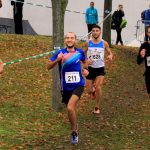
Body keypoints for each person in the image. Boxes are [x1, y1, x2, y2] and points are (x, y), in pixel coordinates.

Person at [47, 32, 87, 144]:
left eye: (72, 38)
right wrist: (57, 60)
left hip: (79, 84)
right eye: (67, 38)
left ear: (75, 40)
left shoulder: (80, 52)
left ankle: (74, 132)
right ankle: (74, 125)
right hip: (65, 87)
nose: (69, 40)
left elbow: (85, 62)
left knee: (70, 107)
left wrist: (86, 69)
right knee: (72, 109)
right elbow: (48, 66)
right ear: (65, 40)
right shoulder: (60, 53)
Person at [84, 25, 113, 114]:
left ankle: (97, 106)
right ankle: (92, 92)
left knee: (98, 87)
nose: (95, 32)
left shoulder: (104, 43)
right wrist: (86, 60)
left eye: (97, 30)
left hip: (100, 68)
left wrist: (110, 56)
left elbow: (110, 52)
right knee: (89, 90)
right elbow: (82, 53)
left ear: (100, 32)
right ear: (91, 32)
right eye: (93, 31)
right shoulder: (88, 43)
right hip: (90, 68)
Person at [137, 26, 150, 98]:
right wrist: (142, 56)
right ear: (147, 34)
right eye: (149, 32)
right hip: (148, 73)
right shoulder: (144, 46)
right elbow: (138, 62)